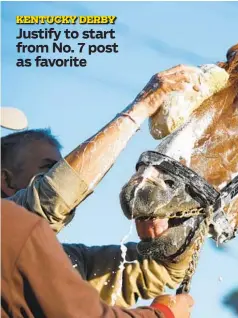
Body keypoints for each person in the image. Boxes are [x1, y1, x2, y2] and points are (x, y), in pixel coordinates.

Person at [1, 64, 203, 307]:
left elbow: (157, 269)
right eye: (48, 170)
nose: (60, 176)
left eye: (60, 169)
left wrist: (166, 238)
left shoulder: (68, 263)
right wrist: (139, 109)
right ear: (6, 180)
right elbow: (48, 201)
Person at [1, 199, 194, 318]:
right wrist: (164, 315)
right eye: (49, 168)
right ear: (5, 178)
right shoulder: (17, 228)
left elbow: (144, 270)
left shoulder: (65, 256)